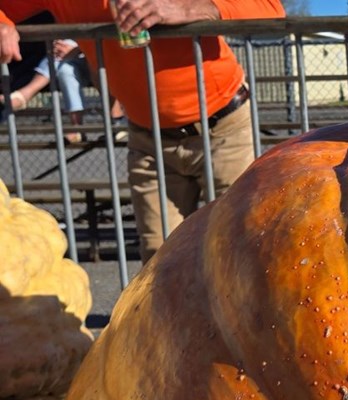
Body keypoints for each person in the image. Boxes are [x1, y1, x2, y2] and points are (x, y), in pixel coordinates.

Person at [0, 0, 285, 259]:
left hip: (223, 129)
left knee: (235, 249)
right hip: (148, 140)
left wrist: (195, 8)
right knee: (160, 259)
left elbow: (271, 10)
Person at [7, 37, 86, 141]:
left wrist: (76, 49)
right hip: (70, 62)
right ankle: (77, 127)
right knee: (65, 70)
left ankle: (25, 94)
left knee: (66, 46)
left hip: (96, 61)